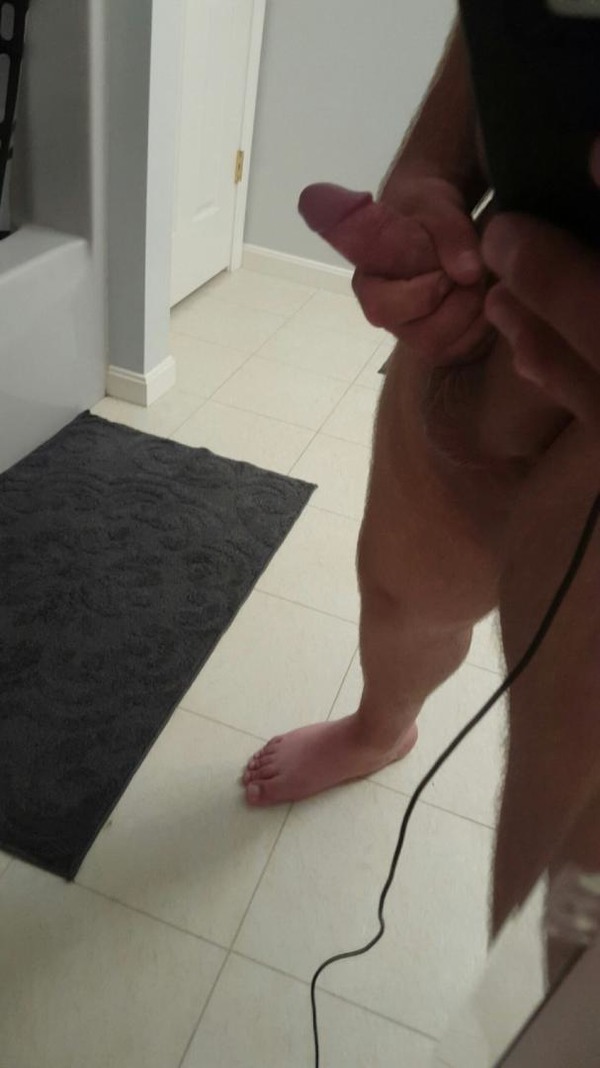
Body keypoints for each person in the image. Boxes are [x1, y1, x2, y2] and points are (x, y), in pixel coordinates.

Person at [242, 19, 600, 932]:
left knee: (570, 875)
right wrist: (434, 167)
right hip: (500, 316)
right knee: (403, 592)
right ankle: (380, 730)